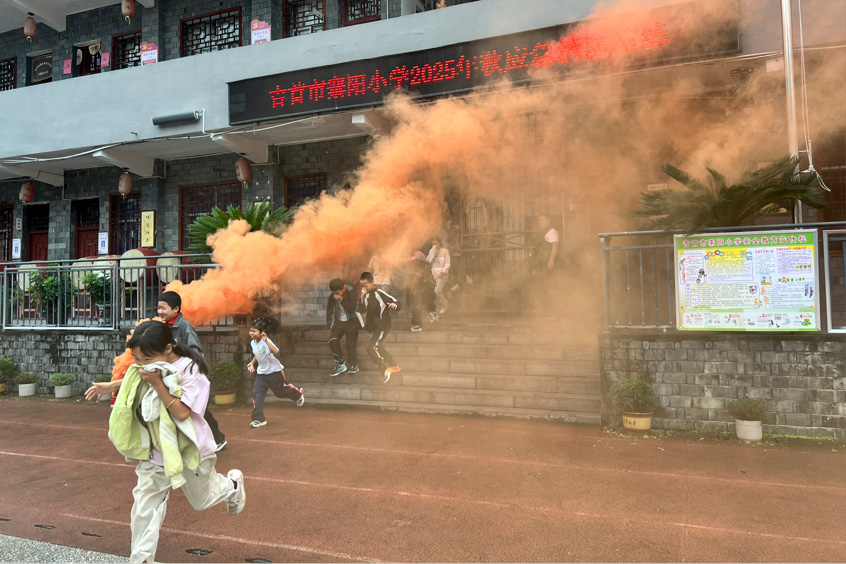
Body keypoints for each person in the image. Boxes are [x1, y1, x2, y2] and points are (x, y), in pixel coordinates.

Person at [108, 320, 245, 563]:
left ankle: (232, 486)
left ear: (168, 349)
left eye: (145, 359)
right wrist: (110, 386)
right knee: (144, 508)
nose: (140, 366)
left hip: (188, 449)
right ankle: (141, 559)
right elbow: (136, 377)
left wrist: (159, 384)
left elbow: (183, 413)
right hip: (156, 451)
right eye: (137, 359)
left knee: (202, 501)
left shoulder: (193, 372)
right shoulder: (149, 368)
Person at [157, 291, 228, 453]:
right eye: (158, 308)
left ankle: (218, 439)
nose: (160, 312)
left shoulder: (184, 327)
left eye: (163, 308)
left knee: (198, 410)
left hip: (190, 375)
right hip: (178, 376)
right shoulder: (167, 325)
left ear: (175, 309)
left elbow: (196, 351)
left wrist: (191, 371)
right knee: (191, 410)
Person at [246, 317, 304, 428]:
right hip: (261, 374)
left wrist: (266, 341)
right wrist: (252, 363)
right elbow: (258, 355)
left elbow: (276, 351)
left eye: (254, 331)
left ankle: (298, 395)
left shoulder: (266, 341)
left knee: (280, 393)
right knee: (257, 393)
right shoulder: (253, 343)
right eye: (250, 331)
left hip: (274, 372)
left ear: (261, 332)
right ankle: (259, 419)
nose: (251, 333)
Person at [358, 271, 401, 383]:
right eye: (362, 285)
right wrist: (361, 298)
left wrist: (395, 306)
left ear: (372, 283)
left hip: (382, 325)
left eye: (366, 285)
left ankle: (383, 368)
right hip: (374, 327)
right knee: (379, 347)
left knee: (371, 346)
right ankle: (394, 366)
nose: (364, 287)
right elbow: (361, 310)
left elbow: (395, 301)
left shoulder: (380, 293)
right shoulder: (365, 295)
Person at [326, 278, 363, 377]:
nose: (336, 295)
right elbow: (329, 310)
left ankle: (354, 365)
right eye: (334, 293)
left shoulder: (351, 291)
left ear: (343, 289)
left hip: (352, 321)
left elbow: (352, 308)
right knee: (332, 341)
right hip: (339, 323)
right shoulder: (332, 296)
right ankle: (340, 364)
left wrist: (342, 300)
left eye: (338, 293)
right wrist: (329, 322)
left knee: (350, 345)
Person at [531, 214, 560, 318]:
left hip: (547, 263)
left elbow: (555, 245)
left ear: (548, 221)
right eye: (539, 221)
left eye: (542, 220)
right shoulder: (543, 232)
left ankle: (550, 312)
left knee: (548, 287)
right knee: (542, 287)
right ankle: (545, 311)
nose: (540, 222)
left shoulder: (552, 231)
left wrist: (551, 260)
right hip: (541, 264)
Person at [405, 251, 433, 332]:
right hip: (415, 292)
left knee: (417, 308)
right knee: (416, 308)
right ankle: (417, 324)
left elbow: (425, 282)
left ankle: (417, 324)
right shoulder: (413, 273)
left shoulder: (423, 270)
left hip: (419, 292)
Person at [427, 236, 451, 322]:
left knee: (437, 291)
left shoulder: (445, 251)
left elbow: (447, 263)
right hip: (434, 276)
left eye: (436, 243)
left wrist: (443, 272)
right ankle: (437, 314)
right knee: (435, 295)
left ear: (440, 243)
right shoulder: (432, 251)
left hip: (442, 276)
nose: (435, 245)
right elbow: (428, 261)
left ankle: (445, 304)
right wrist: (433, 253)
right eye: (433, 244)